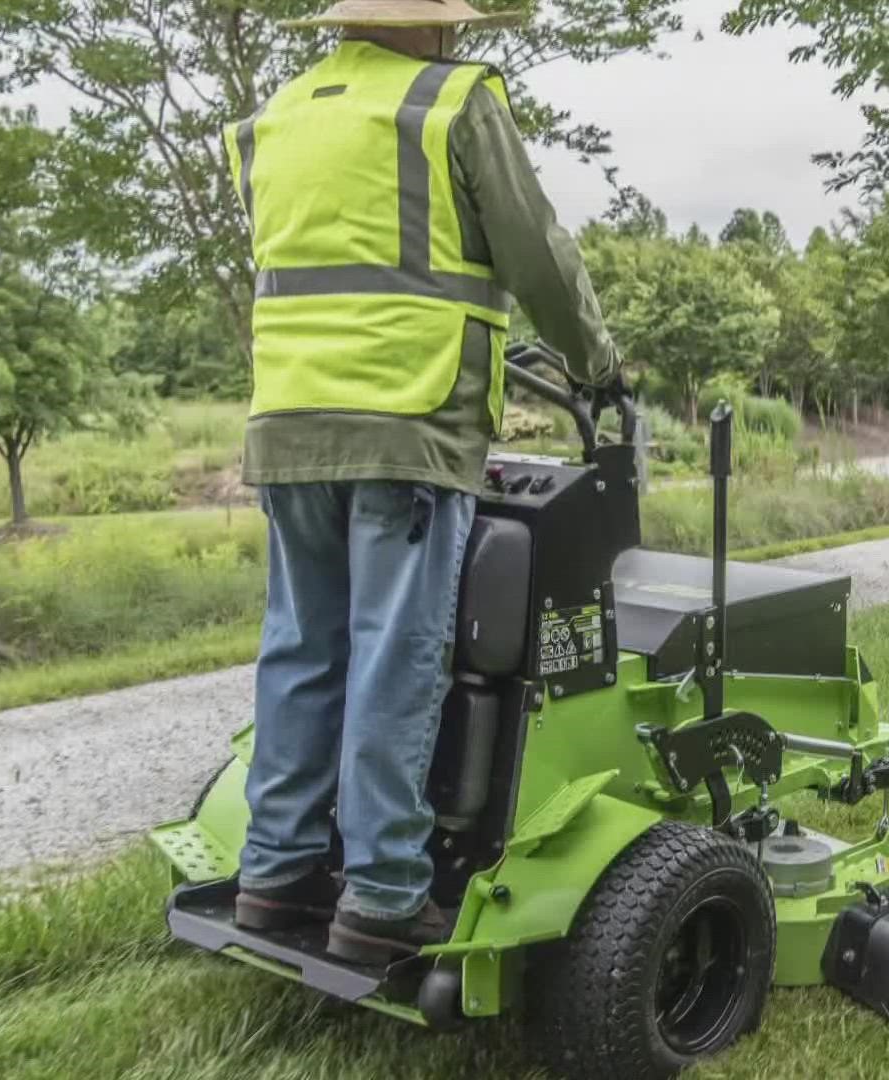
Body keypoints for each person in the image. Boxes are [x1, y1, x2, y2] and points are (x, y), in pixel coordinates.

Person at [223, 0, 620, 965]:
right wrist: (595, 360)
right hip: (406, 414)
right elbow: (535, 254)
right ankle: (387, 892)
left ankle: (275, 874)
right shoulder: (452, 102)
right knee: (397, 653)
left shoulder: (273, 115)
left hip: (288, 422)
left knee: (302, 648)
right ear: (438, 24)